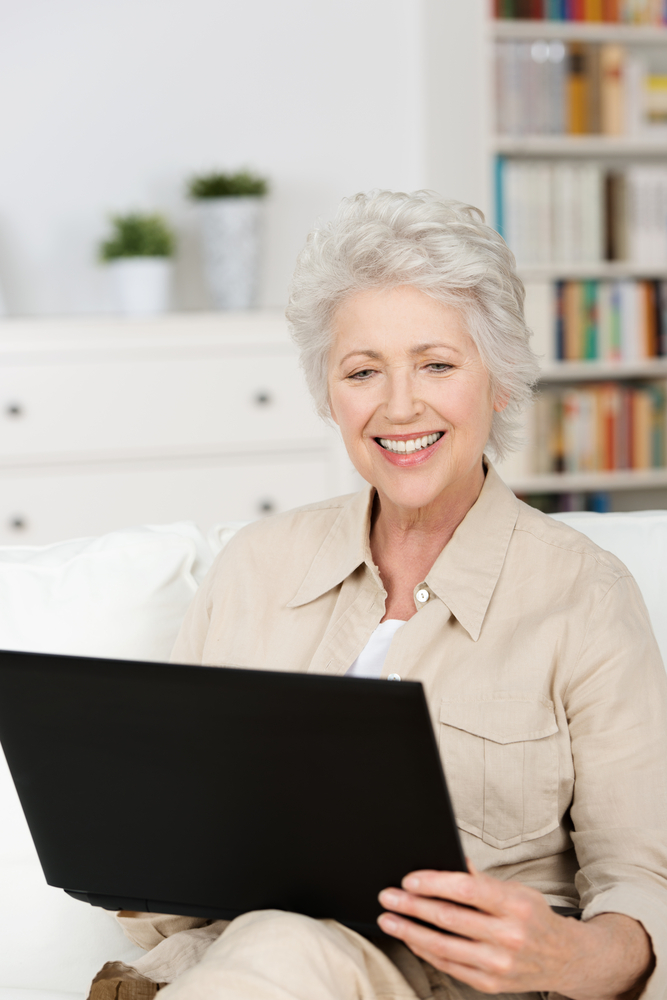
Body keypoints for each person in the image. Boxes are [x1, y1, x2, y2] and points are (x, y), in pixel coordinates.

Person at [92, 191, 667, 1000]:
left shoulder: (582, 596)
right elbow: (166, 881)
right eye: (363, 371)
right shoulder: (255, 568)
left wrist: (567, 956)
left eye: (436, 364)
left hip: (457, 989)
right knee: (281, 945)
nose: (399, 406)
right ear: (330, 395)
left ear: (496, 381)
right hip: (238, 971)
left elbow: (644, 882)